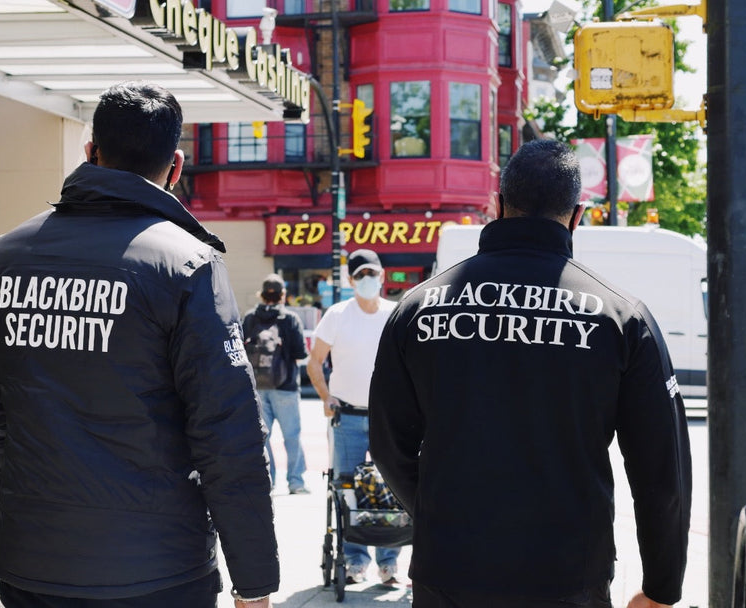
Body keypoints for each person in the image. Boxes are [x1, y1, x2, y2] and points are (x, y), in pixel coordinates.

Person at [0, 81, 277, 608]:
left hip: (36, 563)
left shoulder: (4, 257)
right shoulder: (186, 264)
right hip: (159, 569)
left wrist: (30, 503)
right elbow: (227, 432)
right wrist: (255, 578)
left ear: (90, 153)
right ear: (175, 167)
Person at [368, 140, 692, 608]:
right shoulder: (621, 317)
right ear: (578, 215)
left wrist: (440, 515)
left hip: (451, 569)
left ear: (497, 206)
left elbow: (387, 442)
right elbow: (662, 469)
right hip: (567, 573)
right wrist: (662, 587)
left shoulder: (417, 308)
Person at [306, 249, 401, 585]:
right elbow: (315, 361)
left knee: (393, 488)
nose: (366, 280)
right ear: (350, 280)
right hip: (347, 417)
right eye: (360, 275)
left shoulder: (395, 314)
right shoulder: (337, 315)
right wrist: (324, 396)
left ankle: (388, 563)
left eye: (372, 273)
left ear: (382, 276)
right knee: (347, 490)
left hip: (387, 419)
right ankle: (355, 562)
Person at [242, 273, 311, 494]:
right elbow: (300, 353)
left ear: (261, 295)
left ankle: (268, 481)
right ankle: (296, 482)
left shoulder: (250, 318)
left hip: (257, 388)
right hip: (286, 386)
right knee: (292, 436)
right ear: (283, 295)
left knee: (262, 437)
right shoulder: (290, 319)